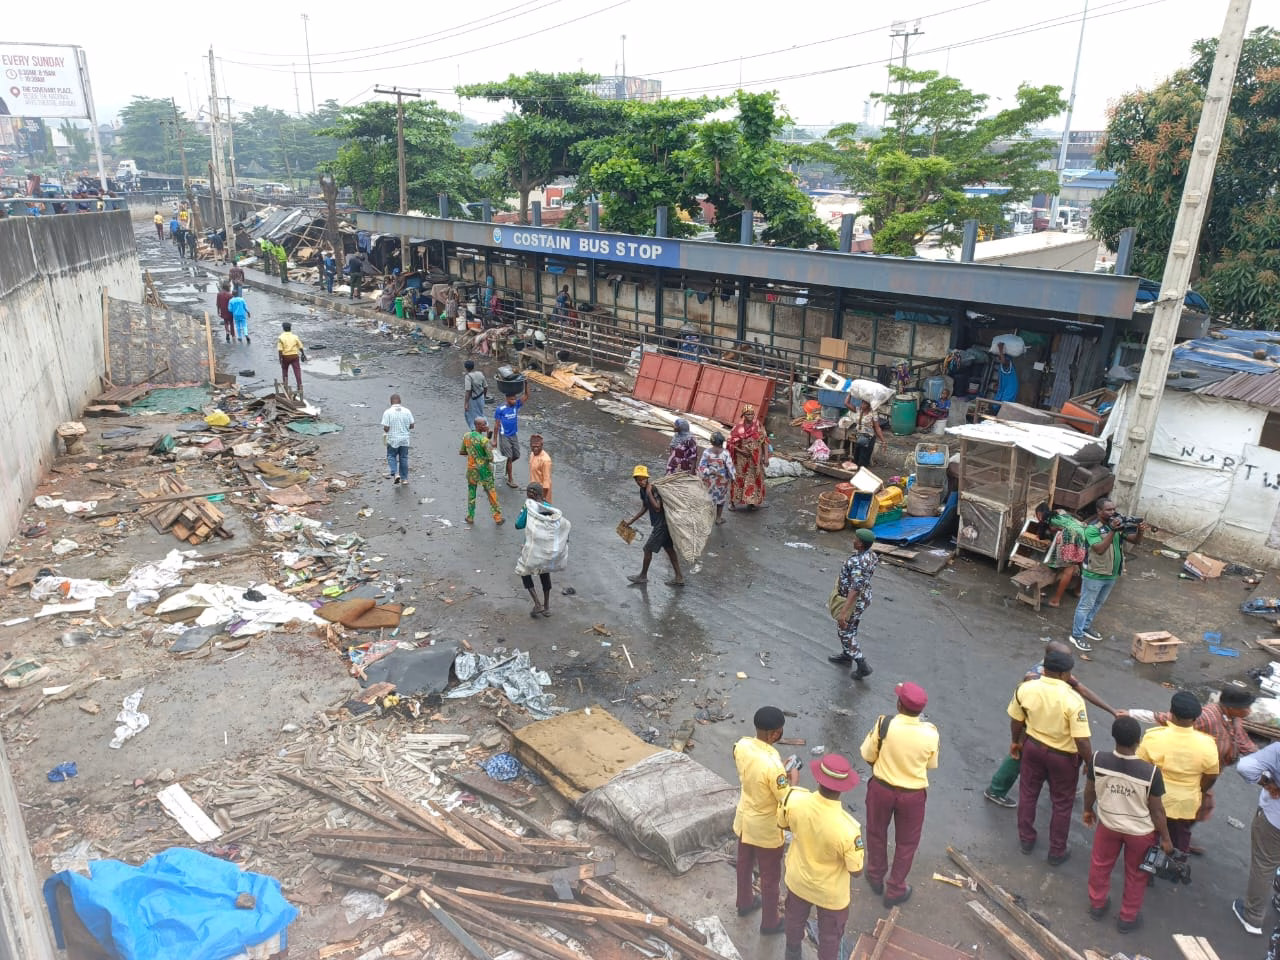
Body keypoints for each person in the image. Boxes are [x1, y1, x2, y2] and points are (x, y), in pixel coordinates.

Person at [985, 641, 1118, 808]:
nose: (1069, 661)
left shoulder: (1056, 669)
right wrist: (1016, 739)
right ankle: (996, 789)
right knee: (1018, 756)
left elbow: (1081, 688)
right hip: (1031, 726)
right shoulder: (1034, 678)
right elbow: (1019, 713)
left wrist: (1112, 710)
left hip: (1042, 724)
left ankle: (1055, 785)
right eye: (1067, 657)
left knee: (1043, 757)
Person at [1125, 686, 1256, 854]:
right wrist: (1131, 714)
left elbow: (1243, 743)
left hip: (1181, 788)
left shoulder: (1231, 719)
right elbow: (1168, 718)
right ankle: (1168, 850)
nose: (1249, 711)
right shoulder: (1207, 720)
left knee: (1185, 817)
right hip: (1187, 788)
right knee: (1172, 825)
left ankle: (1163, 847)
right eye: (1246, 708)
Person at [1083, 716, 1174, 935]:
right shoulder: (1150, 773)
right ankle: (1127, 917)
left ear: (1114, 736)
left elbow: (1090, 789)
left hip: (1108, 825)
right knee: (1136, 874)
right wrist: (1166, 838)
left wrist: (1088, 810)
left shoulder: (1097, 760)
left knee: (1100, 865)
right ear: (1138, 741)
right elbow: (1157, 811)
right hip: (1140, 832)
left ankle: (1097, 905)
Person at [1008, 646, 1092, 863]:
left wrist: (1016, 742)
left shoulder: (1026, 688)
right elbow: (1082, 740)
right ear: (1065, 674)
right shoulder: (1073, 700)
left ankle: (1026, 839)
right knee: (1062, 804)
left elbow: (1016, 721)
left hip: (1033, 747)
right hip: (1063, 757)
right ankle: (1057, 851)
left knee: (1028, 794)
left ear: (1044, 669)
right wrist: (1090, 764)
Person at [777, 753, 864, 960]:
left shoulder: (794, 799)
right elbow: (856, 871)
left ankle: (792, 954)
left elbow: (783, 824)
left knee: (794, 920)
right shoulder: (848, 829)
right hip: (831, 895)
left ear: (818, 778)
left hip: (798, 880)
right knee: (830, 936)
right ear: (844, 787)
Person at [860, 681, 939, 909]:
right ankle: (895, 888)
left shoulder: (885, 724)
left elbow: (867, 754)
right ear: (920, 711)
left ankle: (875, 875)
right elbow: (931, 764)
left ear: (898, 704)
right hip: (913, 795)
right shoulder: (930, 733)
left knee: (876, 833)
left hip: (881, 789)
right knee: (906, 843)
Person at [732, 705, 798, 936]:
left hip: (744, 818)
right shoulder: (773, 765)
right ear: (773, 734)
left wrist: (782, 773)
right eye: (779, 731)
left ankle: (744, 902)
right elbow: (785, 798)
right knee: (770, 877)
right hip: (766, 828)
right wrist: (793, 779)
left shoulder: (742, 745)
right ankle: (770, 922)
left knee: (744, 863)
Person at [1136, 691, 1219, 856]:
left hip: (1154, 800)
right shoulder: (1208, 744)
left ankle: (1146, 868)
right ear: (1196, 718)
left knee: (1150, 834)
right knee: (1180, 835)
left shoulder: (1153, 737)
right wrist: (1200, 790)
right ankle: (1176, 866)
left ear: (1171, 713)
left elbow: (1140, 768)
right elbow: (1211, 776)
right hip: (1186, 803)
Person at [1071, 498, 1146, 652]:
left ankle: (1086, 627)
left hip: (1111, 574)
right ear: (1099, 511)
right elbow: (1099, 549)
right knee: (1085, 605)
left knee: (1098, 603)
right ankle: (1076, 635)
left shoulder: (1118, 525)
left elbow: (1135, 541)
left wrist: (1141, 531)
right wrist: (1113, 530)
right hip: (1095, 574)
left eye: (1114, 509)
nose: (1113, 512)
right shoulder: (1092, 529)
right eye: (1108, 510)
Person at [1234, 741, 1280, 936]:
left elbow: (1245, 766)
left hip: (1275, 820)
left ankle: (1253, 917)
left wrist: (1268, 784)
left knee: (1265, 865)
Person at [828, 528, 878, 680]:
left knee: (845, 631)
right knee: (851, 628)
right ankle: (847, 655)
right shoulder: (871, 555)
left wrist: (843, 612)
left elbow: (855, 589)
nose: (853, 540)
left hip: (854, 601)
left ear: (861, 545)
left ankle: (862, 664)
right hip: (863, 597)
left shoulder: (858, 563)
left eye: (856, 539)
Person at [622, 465, 683, 587]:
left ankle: (643, 576)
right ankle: (679, 578)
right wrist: (631, 521)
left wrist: (649, 492)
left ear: (647, 478)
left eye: (643, 479)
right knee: (670, 550)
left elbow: (657, 507)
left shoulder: (653, 489)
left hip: (662, 525)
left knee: (647, 549)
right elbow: (645, 507)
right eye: (638, 479)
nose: (641, 482)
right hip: (661, 524)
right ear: (635, 480)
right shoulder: (642, 490)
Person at [514, 482, 566, 618]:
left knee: (525, 573)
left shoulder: (529, 507)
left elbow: (518, 524)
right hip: (547, 550)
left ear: (530, 495)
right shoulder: (550, 508)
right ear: (541, 494)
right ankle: (547, 606)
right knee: (544, 573)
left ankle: (537, 603)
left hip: (531, 548)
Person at [1034, 502, 1088, 608]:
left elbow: (1042, 534)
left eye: (1037, 515)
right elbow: (1058, 527)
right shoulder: (1059, 512)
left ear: (1039, 514)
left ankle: (1055, 601)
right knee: (1081, 564)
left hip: (1072, 535)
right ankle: (1078, 591)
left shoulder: (1046, 518)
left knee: (1068, 569)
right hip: (1083, 532)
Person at [460, 417, 503, 524]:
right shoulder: (483, 440)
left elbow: (462, 452)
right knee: (491, 493)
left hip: (471, 470)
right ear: (478, 426)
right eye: (484, 425)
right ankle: (497, 517)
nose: (486, 426)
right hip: (484, 471)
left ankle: (470, 516)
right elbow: (490, 458)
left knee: (471, 492)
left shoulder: (466, 436)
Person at [727, 405, 768, 510]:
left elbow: (765, 442)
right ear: (743, 415)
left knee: (753, 479)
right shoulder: (738, 428)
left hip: (755, 459)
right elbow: (730, 443)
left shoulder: (758, 426)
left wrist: (766, 457)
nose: (750, 416)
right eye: (747, 414)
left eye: (752, 414)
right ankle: (732, 502)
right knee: (738, 479)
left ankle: (751, 502)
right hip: (740, 459)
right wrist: (741, 451)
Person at [492, 385, 529, 489]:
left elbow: (526, 395)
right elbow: (496, 425)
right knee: (508, 457)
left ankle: (505, 467)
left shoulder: (516, 405)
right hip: (504, 436)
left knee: (516, 455)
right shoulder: (500, 409)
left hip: (513, 435)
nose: (514, 400)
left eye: (515, 398)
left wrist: (526, 384)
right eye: (512, 399)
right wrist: (495, 440)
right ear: (507, 399)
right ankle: (510, 480)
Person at [698, 432, 735, 525]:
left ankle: (705, 519)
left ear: (711, 441)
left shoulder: (707, 452)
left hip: (708, 481)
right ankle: (718, 519)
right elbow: (730, 467)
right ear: (722, 441)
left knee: (707, 498)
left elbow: (701, 467)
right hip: (722, 481)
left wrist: (710, 472)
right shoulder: (726, 453)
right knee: (720, 499)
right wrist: (733, 478)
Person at [381, 393, 415, 486]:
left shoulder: (387, 412)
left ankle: (396, 474)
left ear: (391, 402)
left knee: (391, 456)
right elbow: (412, 425)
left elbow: (386, 428)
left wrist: (387, 430)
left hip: (393, 439)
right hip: (404, 439)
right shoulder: (407, 411)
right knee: (403, 458)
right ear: (400, 401)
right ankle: (404, 479)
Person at [845, 397, 884, 468]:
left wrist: (883, 441)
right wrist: (850, 393)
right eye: (862, 402)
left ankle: (861, 475)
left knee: (863, 462)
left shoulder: (873, 413)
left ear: (869, 405)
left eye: (865, 403)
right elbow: (846, 403)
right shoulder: (858, 410)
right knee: (856, 459)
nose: (862, 405)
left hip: (868, 439)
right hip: (859, 438)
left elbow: (877, 428)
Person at [276, 322, 306, 397]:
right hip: (294, 356)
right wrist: (303, 354)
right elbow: (300, 346)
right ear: (290, 328)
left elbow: (280, 350)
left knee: (285, 370)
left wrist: (280, 359)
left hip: (285, 356)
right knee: (297, 370)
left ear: (283, 328)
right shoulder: (295, 337)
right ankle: (299, 385)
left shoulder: (281, 337)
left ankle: (285, 386)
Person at [463, 360, 488, 429]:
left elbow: (468, 391)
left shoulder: (468, 377)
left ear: (466, 368)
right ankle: (486, 427)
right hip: (481, 397)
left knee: (470, 415)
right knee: (481, 413)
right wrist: (484, 396)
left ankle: (474, 429)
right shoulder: (480, 374)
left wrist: (466, 403)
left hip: (473, 399)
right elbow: (485, 386)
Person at [993, 341, 1018, 407]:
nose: (998, 355)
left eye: (999, 354)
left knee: (1004, 404)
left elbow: (1004, 361)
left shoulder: (1008, 362)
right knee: (997, 404)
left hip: (1010, 388)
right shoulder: (1001, 365)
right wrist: (998, 383)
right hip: (1003, 387)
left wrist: (1000, 349)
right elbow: (1001, 376)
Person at [528, 434, 553, 502]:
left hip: (542, 493)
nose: (535, 448)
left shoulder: (545, 460)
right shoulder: (532, 454)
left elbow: (546, 482)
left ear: (542, 446)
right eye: (533, 447)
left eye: (537, 447)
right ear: (530, 446)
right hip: (533, 490)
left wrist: (542, 499)